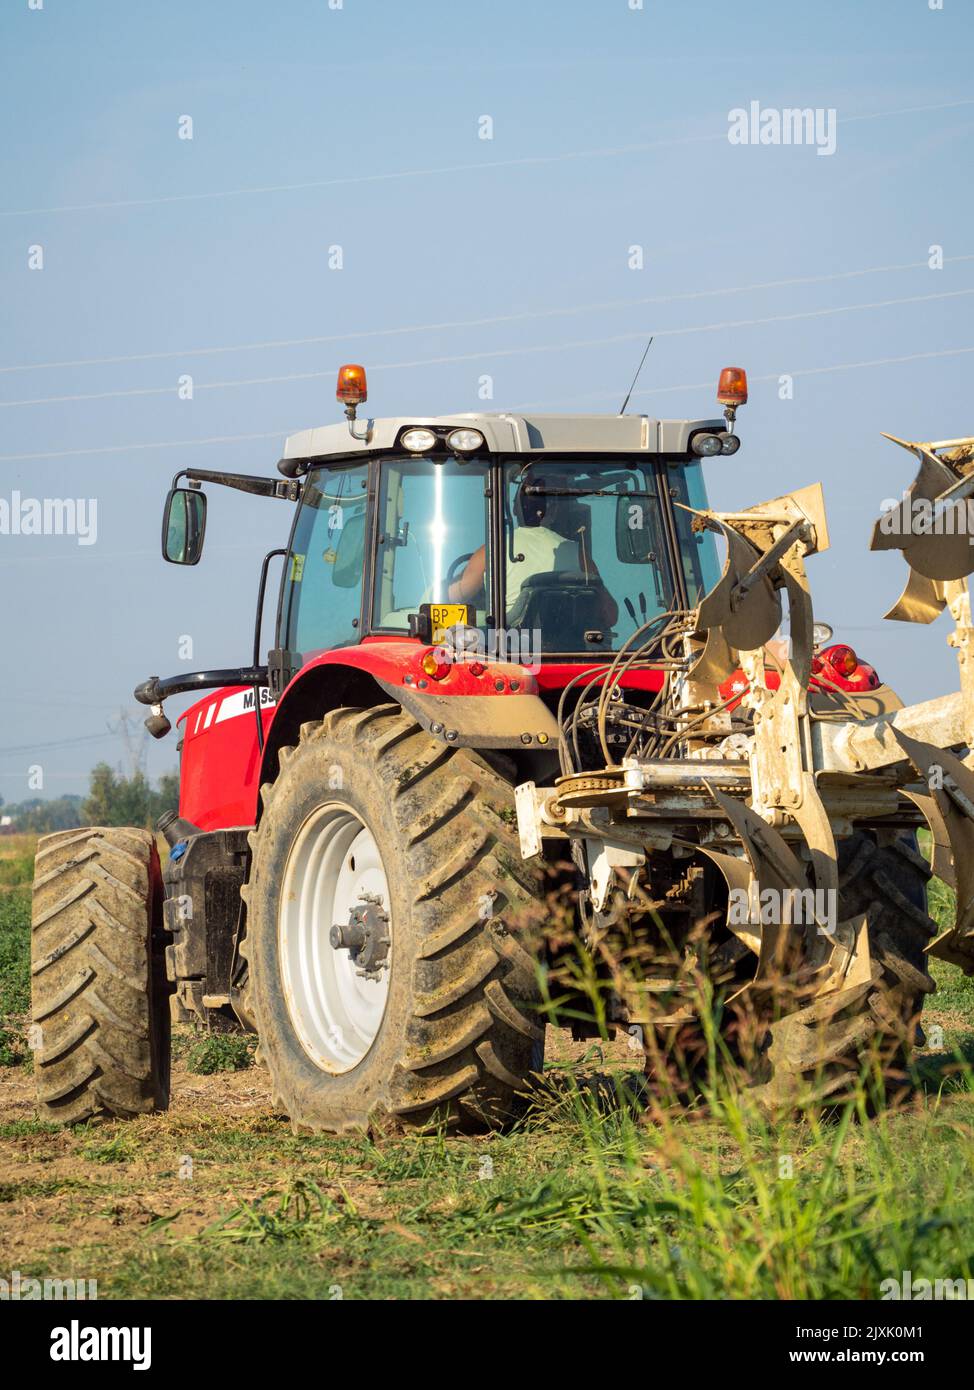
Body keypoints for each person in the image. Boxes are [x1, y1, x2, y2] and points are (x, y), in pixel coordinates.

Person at [447, 472, 618, 628]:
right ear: (552, 510)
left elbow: (456, 596)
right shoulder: (579, 554)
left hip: (509, 650)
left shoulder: (490, 551)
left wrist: (437, 589)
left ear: (514, 509)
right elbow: (610, 616)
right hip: (570, 649)